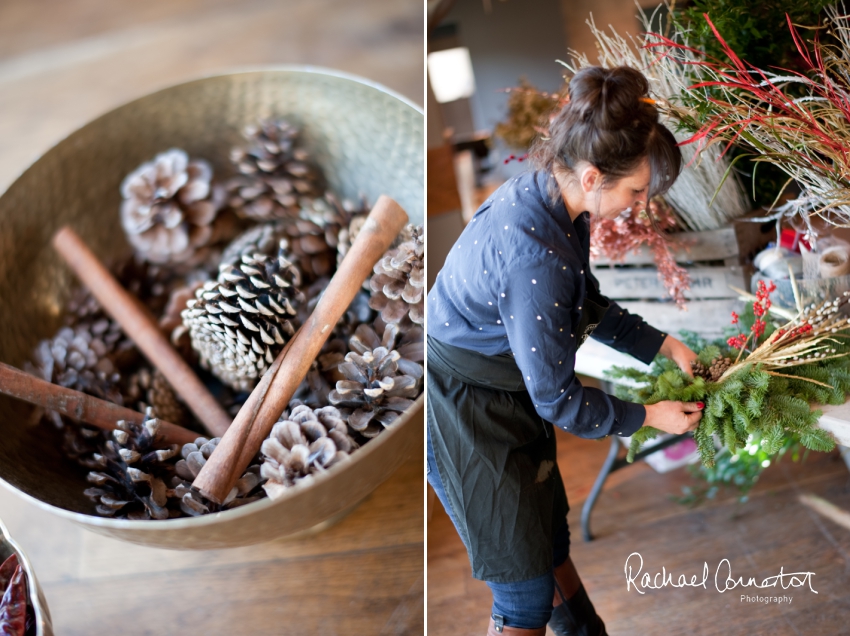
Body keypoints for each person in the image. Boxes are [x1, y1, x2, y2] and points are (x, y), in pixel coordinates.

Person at [425, 65, 704, 636]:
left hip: (504, 391)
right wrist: (648, 417)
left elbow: (585, 301)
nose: (637, 203)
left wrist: (663, 345)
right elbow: (557, 398)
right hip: (466, 409)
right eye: (634, 190)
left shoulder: (553, 200)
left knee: (546, 543)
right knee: (523, 590)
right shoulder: (535, 251)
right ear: (595, 174)